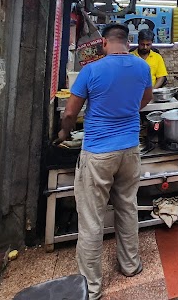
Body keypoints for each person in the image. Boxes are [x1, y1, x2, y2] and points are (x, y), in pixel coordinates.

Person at [56, 24, 153, 300]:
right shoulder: (142, 67)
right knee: (127, 208)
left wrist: (63, 133)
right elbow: (146, 98)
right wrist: (127, 110)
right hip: (130, 150)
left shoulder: (91, 70)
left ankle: (92, 287)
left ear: (104, 43)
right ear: (128, 42)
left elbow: (70, 112)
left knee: (91, 219)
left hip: (98, 152)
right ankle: (131, 266)